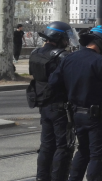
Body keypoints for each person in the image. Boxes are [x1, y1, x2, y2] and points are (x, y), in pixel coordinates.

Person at [48, 25, 102, 181]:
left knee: (82, 151)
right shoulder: (101, 62)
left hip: (76, 114)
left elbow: (54, 83)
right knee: (97, 155)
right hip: (97, 116)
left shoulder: (69, 58)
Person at [30, 21, 78, 181]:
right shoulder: (62, 56)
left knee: (46, 145)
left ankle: (42, 177)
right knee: (63, 146)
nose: (67, 41)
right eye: (65, 37)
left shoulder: (35, 53)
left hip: (43, 105)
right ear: (59, 37)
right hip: (60, 107)